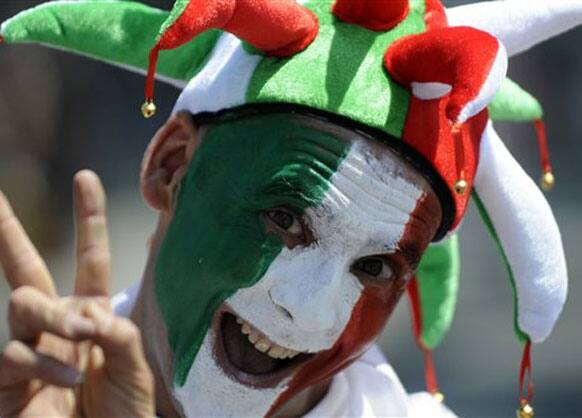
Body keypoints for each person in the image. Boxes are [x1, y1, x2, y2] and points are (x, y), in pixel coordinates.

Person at [0, 0, 580, 417]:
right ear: (172, 166)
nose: (310, 311)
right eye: (285, 218)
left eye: (375, 267)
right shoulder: (29, 396)